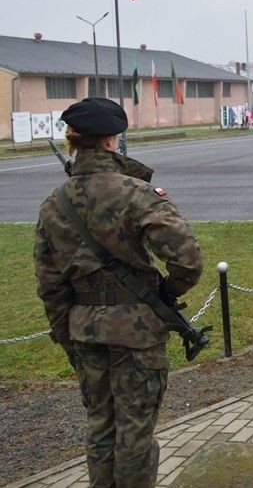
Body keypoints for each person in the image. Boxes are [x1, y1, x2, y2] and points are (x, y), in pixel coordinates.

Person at [34, 97, 203, 487]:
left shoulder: (53, 205)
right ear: (112, 140)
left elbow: (49, 285)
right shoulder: (136, 193)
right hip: (136, 334)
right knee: (135, 431)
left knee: (100, 427)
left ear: (73, 141)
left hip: (85, 332)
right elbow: (188, 259)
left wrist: (68, 337)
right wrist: (163, 293)